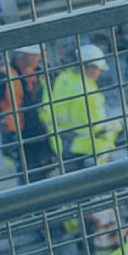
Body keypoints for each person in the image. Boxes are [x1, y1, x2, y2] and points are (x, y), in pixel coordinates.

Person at [42, 44, 121, 173]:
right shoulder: (88, 91)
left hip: (62, 148)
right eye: (98, 69)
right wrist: (118, 125)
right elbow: (99, 127)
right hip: (89, 149)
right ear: (91, 68)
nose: (98, 74)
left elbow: (46, 114)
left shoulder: (61, 80)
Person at [0, 44, 53, 181]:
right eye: (35, 55)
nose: (38, 58)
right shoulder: (4, 75)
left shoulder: (40, 71)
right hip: (19, 133)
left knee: (48, 171)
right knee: (27, 174)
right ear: (22, 55)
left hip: (41, 131)